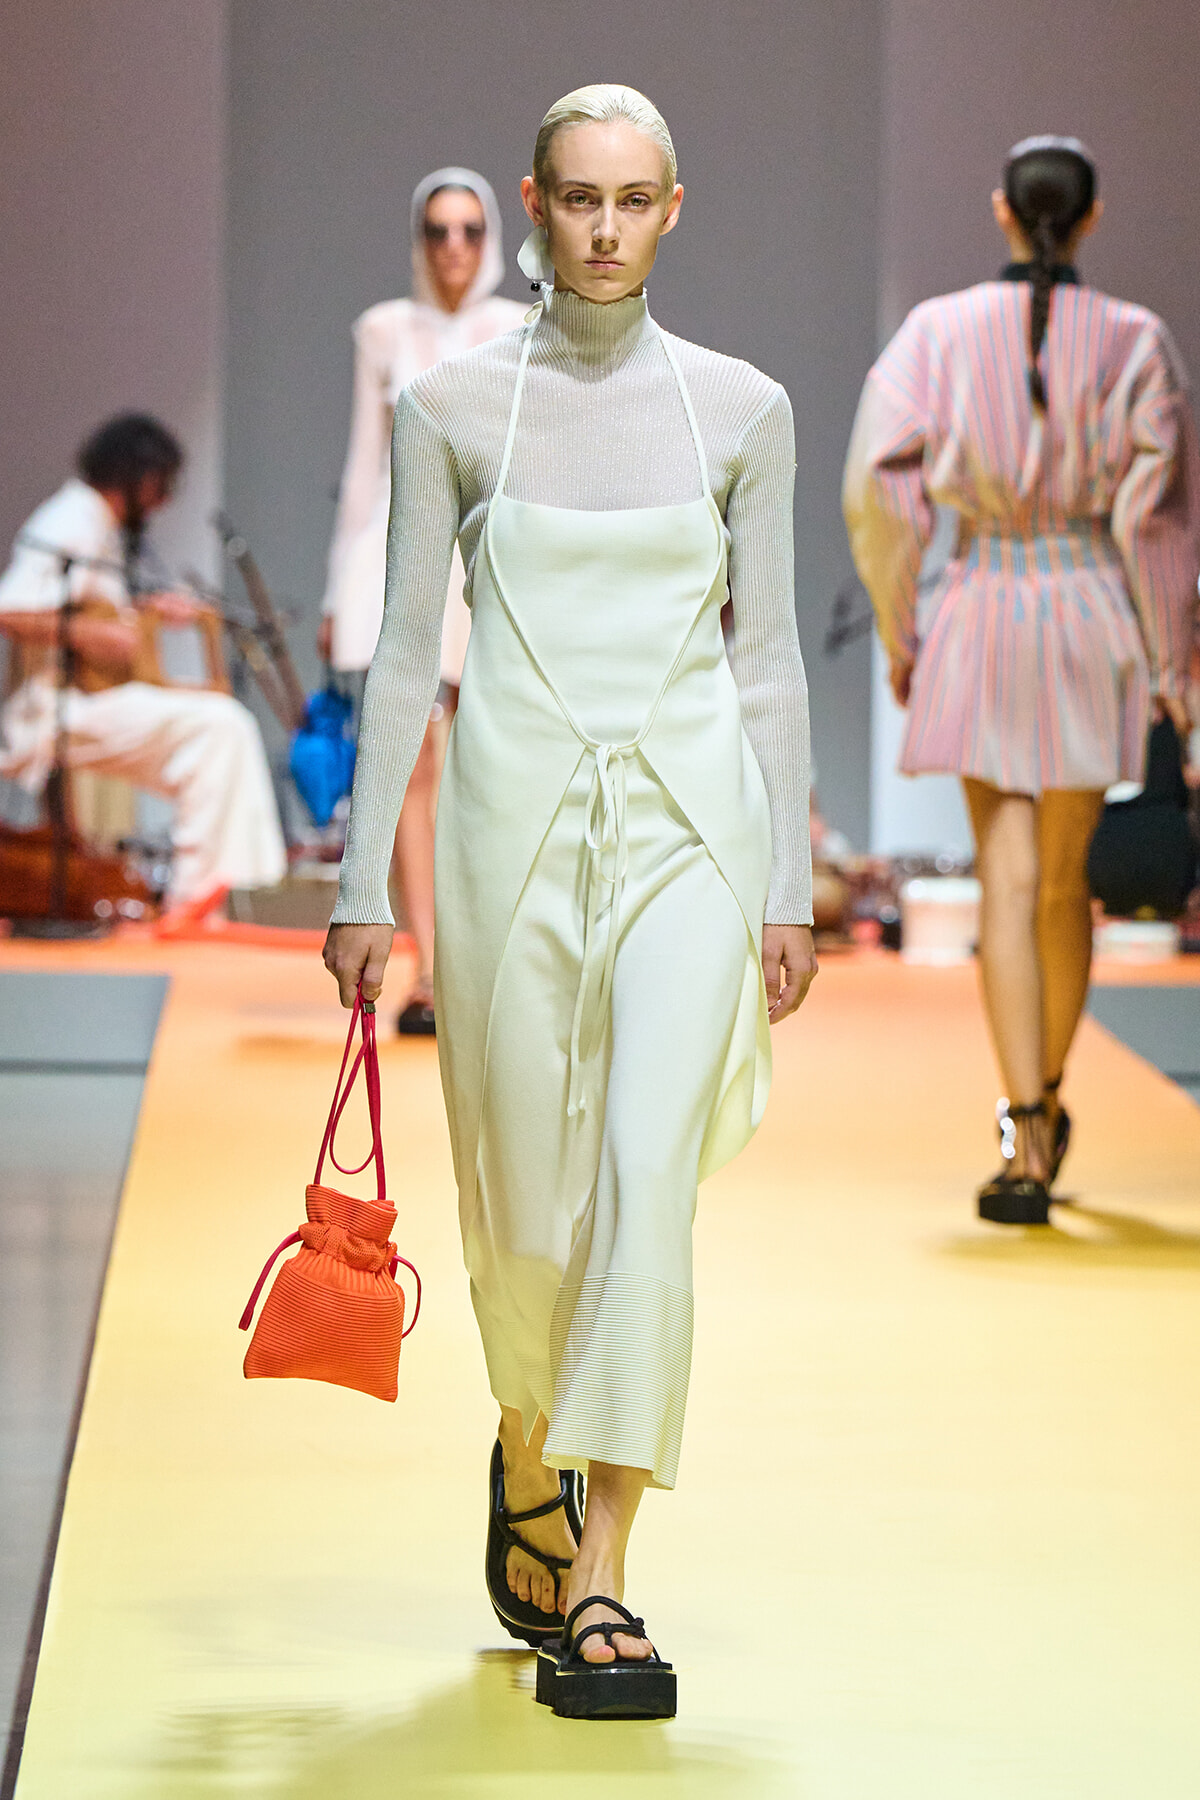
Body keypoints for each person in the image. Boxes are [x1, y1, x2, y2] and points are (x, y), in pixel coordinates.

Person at [323, 85, 815, 1714]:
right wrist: (353, 883)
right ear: (536, 205)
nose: (604, 228)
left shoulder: (744, 408)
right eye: (578, 199)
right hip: (508, 829)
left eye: (634, 200)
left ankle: (605, 1579)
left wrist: (790, 882)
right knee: (527, 1217)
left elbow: (765, 662)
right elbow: (407, 650)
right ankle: (526, 1440)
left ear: (676, 208)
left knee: (640, 1181)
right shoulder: (454, 406)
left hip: (690, 831)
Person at [844, 136, 1200, 1226]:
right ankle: (1048, 1102)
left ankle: (1024, 1125)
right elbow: (1156, 522)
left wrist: (905, 626)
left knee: (1004, 876)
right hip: (1092, 607)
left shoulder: (935, 333)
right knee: (1060, 883)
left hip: (984, 599)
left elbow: (876, 488)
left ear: (1003, 211)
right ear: (1087, 221)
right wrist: (1172, 666)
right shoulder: (1137, 341)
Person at [319, 170, 526, 1033]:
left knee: (487, 763)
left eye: (471, 231)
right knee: (414, 761)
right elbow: (364, 466)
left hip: (481, 560)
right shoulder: (383, 329)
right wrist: (340, 588)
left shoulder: (517, 327)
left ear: (491, 237)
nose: (453, 248)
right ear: (418, 237)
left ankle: (481, 963)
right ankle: (434, 971)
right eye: (438, 231)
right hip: (399, 558)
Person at [0, 413, 287, 907]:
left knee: (221, 729)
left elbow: (92, 607)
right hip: (55, 708)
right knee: (218, 729)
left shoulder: (97, 523)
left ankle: (216, 896)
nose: (165, 499)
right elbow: (10, 609)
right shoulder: (72, 518)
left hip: (89, 699)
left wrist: (142, 613)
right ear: (139, 476)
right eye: (163, 483)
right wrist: (94, 634)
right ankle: (200, 901)